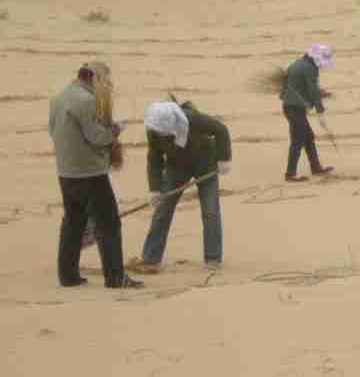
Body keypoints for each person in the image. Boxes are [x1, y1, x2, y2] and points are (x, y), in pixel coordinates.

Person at [49, 61, 143, 288]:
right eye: (106, 81)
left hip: (66, 173)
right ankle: (115, 277)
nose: (107, 87)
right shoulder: (87, 100)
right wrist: (116, 130)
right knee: (108, 224)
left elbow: (53, 130)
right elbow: (96, 137)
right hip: (90, 174)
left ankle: (68, 276)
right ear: (95, 78)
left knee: (73, 223)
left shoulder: (60, 97)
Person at [129, 100, 232, 273]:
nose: (160, 134)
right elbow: (154, 159)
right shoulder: (153, 129)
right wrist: (155, 188)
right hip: (176, 167)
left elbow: (220, 130)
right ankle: (151, 258)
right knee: (163, 209)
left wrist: (224, 159)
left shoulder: (192, 118)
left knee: (210, 211)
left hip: (205, 164)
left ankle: (213, 258)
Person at [283, 45, 336, 181]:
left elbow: (284, 88)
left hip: (291, 107)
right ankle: (290, 174)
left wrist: (302, 103)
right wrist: (320, 112)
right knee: (298, 139)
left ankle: (315, 167)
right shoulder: (309, 69)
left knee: (308, 137)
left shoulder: (299, 64)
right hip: (294, 108)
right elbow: (313, 91)